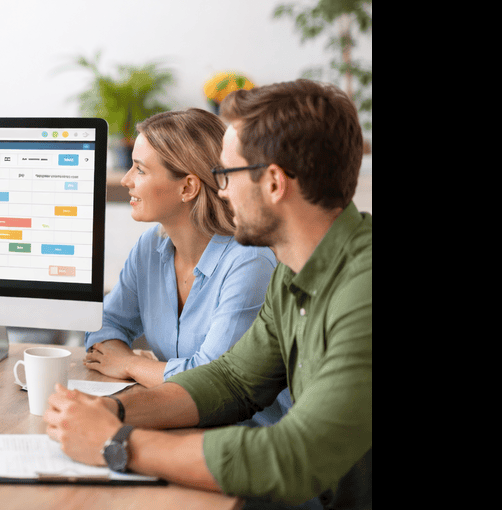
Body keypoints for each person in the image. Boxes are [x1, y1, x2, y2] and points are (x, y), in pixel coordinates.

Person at [44, 80, 371, 509]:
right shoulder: (293, 273)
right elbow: (233, 380)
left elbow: (297, 457)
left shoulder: (362, 287)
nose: (221, 191)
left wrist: (118, 442)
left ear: (273, 183)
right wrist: (116, 411)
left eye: (227, 174)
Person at [83, 108, 291, 427]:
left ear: (188, 187)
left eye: (139, 169)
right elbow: (103, 323)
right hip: (181, 421)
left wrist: (129, 364)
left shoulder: (249, 261)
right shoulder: (150, 247)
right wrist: (126, 359)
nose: (126, 180)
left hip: (248, 440)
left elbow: (213, 378)